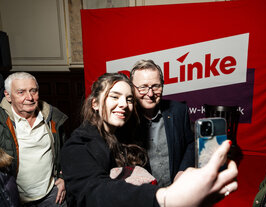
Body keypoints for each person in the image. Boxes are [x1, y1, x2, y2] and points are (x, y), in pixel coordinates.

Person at [60, 73, 238, 207]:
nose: (124, 104)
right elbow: (95, 191)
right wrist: (165, 197)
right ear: (95, 104)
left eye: (129, 99)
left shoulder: (122, 135)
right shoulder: (78, 145)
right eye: (114, 96)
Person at [0, 72, 68, 206]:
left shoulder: (53, 116)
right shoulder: (1, 121)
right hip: (15, 200)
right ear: (8, 95)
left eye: (33, 91)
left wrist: (63, 177)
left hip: (52, 195)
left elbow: (65, 151)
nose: (29, 97)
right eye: (21, 92)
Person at [130, 59, 194, 186]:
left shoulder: (179, 110)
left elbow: (190, 144)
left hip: (176, 191)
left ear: (162, 85)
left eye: (156, 86)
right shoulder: (125, 119)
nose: (150, 93)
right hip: (144, 196)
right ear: (132, 88)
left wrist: (183, 170)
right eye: (142, 87)